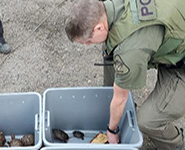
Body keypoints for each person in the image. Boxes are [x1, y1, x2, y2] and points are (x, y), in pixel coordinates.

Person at [65, 0, 185, 149]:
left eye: (88, 41)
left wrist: (112, 130)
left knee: (147, 121)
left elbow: (121, 97)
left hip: (180, 64)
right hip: (174, 31)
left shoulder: (129, 52)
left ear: (99, 27)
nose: (88, 45)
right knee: (109, 52)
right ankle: (116, 107)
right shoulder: (110, 9)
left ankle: (176, 145)